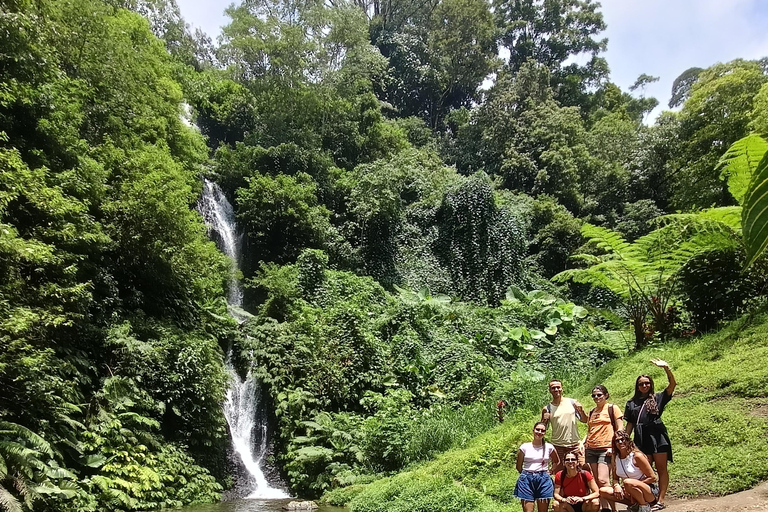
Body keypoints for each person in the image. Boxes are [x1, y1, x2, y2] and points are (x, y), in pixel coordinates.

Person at [624, 359, 676, 511]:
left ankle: (661, 499)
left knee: (661, 468)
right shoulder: (631, 403)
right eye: (641, 384)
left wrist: (667, 368)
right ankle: (644, 500)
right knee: (644, 471)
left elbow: (672, 385)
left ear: (651, 384)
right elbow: (630, 424)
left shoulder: (658, 398)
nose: (644, 385)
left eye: (647, 383)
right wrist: (625, 442)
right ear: (637, 386)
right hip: (641, 437)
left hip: (657, 436)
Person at [585, 385, 623, 512]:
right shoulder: (592, 411)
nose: (596, 397)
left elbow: (620, 429)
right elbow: (590, 430)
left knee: (603, 480)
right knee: (596, 481)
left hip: (606, 448)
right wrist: (584, 443)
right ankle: (605, 508)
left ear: (606, 395)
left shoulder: (612, 408)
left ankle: (613, 509)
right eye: (594, 395)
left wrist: (614, 446)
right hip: (591, 448)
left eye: (599, 395)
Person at [599, 430, 659, 512]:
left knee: (628, 482)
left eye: (622, 439)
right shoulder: (615, 457)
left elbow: (653, 478)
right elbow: (615, 478)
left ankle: (644, 506)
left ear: (628, 441)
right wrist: (617, 486)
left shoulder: (637, 456)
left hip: (648, 491)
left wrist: (632, 486)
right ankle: (634, 506)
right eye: (617, 441)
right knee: (603, 491)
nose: (620, 442)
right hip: (628, 489)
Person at [541, 379, 588, 473]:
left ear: (562, 388)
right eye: (553, 388)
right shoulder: (547, 408)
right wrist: (544, 420)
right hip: (558, 446)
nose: (556, 389)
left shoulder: (572, 403)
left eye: (558, 387)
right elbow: (542, 429)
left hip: (574, 444)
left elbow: (584, 420)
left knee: (583, 469)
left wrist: (581, 410)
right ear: (550, 390)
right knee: (559, 474)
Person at [514, 421, 560, 512]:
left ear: (545, 433)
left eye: (542, 431)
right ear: (533, 430)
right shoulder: (524, 447)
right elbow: (518, 466)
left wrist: (550, 471)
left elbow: (556, 461)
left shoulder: (549, 447)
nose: (539, 432)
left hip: (544, 479)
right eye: (537, 429)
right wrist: (526, 474)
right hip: (526, 479)